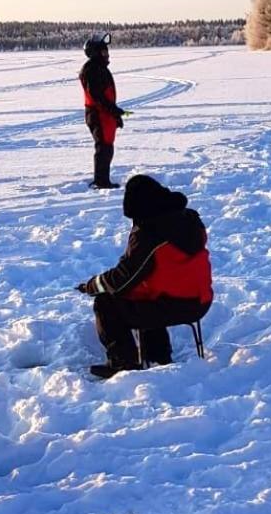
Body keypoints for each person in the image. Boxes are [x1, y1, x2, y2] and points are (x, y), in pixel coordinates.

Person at [76, 174, 213, 378]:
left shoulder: (150, 233)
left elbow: (125, 278)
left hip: (175, 304)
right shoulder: (189, 219)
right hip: (200, 300)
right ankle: (159, 355)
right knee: (144, 294)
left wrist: (93, 286)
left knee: (107, 302)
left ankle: (123, 362)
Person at [78, 33, 127, 189]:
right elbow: (97, 96)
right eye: (103, 52)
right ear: (94, 53)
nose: (106, 55)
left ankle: (102, 179)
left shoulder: (99, 68)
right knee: (104, 148)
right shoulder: (92, 70)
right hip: (98, 114)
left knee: (107, 147)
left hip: (104, 114)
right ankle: (101, 181)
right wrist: (113, 110)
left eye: (107, 52)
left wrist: (115, 115)